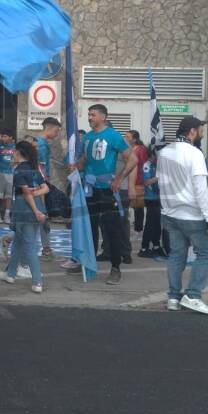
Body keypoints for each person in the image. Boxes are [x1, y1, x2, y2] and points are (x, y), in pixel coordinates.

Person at [68, 104, 136, 285]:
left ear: (103, 117)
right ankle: (86, 262)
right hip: (90, 189)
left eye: (93, 115)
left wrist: (119, 179)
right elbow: (84, 160)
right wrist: (76, 166)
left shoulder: (113, 136)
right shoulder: (88, 137)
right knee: (88, 228)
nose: (90, 118)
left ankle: (115, 268)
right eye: (89, 114)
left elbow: (133, 159)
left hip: (108, 190)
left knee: (112, 230)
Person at [158, 116, 208, 315]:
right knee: (206, 253)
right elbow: (201, 189)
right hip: (192, 215)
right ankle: (193, 295)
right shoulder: (195, 153)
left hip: (170, 214)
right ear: (192, 131)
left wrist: (166, 208)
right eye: (200, 129)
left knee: (176, 254)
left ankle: (173, 297)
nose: (201, 133)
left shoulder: (164, 152)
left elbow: (161, 182)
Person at [0, 140, 48, 293]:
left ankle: (37, 281)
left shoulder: (19, 170)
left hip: (24, 210)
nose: (12, 153)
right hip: (36, 207)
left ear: (19, 153)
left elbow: (25, 194)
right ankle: (11, 274)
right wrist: (36, 196)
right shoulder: (35, 168)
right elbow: (45, 188)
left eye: (14, 151)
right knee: (19, 242)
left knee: (30, 246)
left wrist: (35, 209)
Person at [36, 117, 62, 256]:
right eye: (57, 130)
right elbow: (39, 166)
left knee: (39, 217)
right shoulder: (40, 144)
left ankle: (46, 247)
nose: (57, 134)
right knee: (41, 215)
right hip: (39, 185)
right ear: (50, 128)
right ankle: (46, 248)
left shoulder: (42, 142)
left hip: (42, 183)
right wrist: (43, 184)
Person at [138, 146, 164, 258]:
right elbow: (146, 182)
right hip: (150, 198)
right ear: (152, 154)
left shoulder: (159, 166)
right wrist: (159, 177)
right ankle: (144, 247)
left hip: (159, 197)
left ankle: (156, 246)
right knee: (150, 224)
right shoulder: (147, 165)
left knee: (158, 224)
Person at [0, 130, 16, 224]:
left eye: (5, 136)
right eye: (2, 136)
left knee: (8, 196)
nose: (3, 138)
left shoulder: (15, 148)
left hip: (11, 174)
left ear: (11, 137)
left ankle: (7, 216)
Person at [128, 130, 149, 237]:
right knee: (130, 204)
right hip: (128, 180)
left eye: (128, 137)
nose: (126, 138)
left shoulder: (141, 150)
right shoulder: (128, 149)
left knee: (138, 205)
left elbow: (145, 165)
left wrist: (143, 180)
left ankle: (139, 229)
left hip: (138, 181)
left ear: (134, 139)